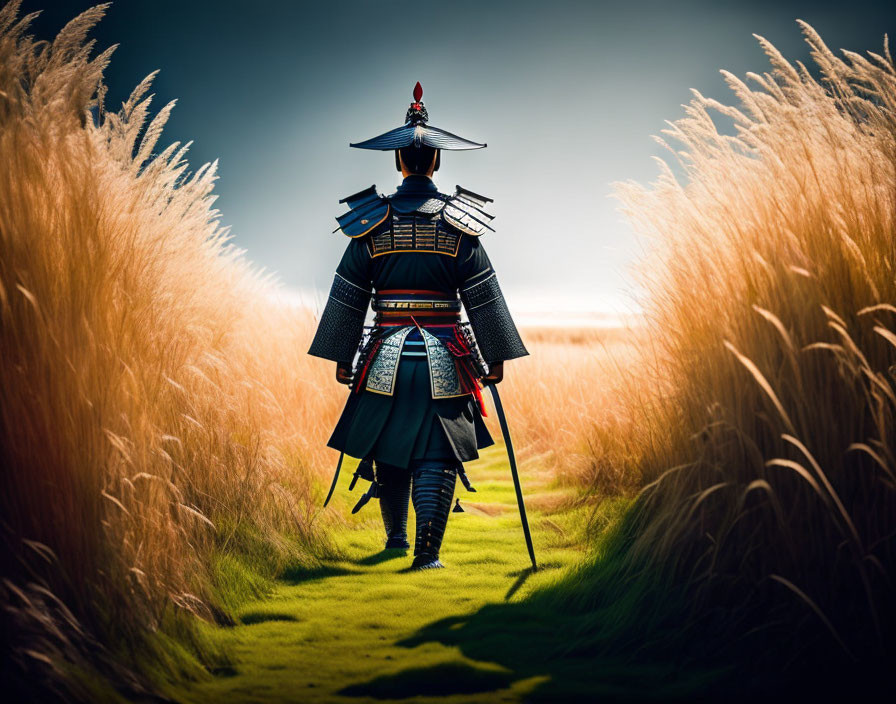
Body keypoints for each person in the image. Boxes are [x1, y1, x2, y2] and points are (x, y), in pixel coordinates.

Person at [308, 83, 527, 570]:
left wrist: (344, 357)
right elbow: (484, 296)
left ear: (397, 163)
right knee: (436, 449)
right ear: (437, 163)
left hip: (383, 353)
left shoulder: (370, 224)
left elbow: (348, 294)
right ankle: (425, 555)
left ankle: (396, 541)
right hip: (447, 355)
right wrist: (495, 358)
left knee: (389, 441)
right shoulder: (459, 225)